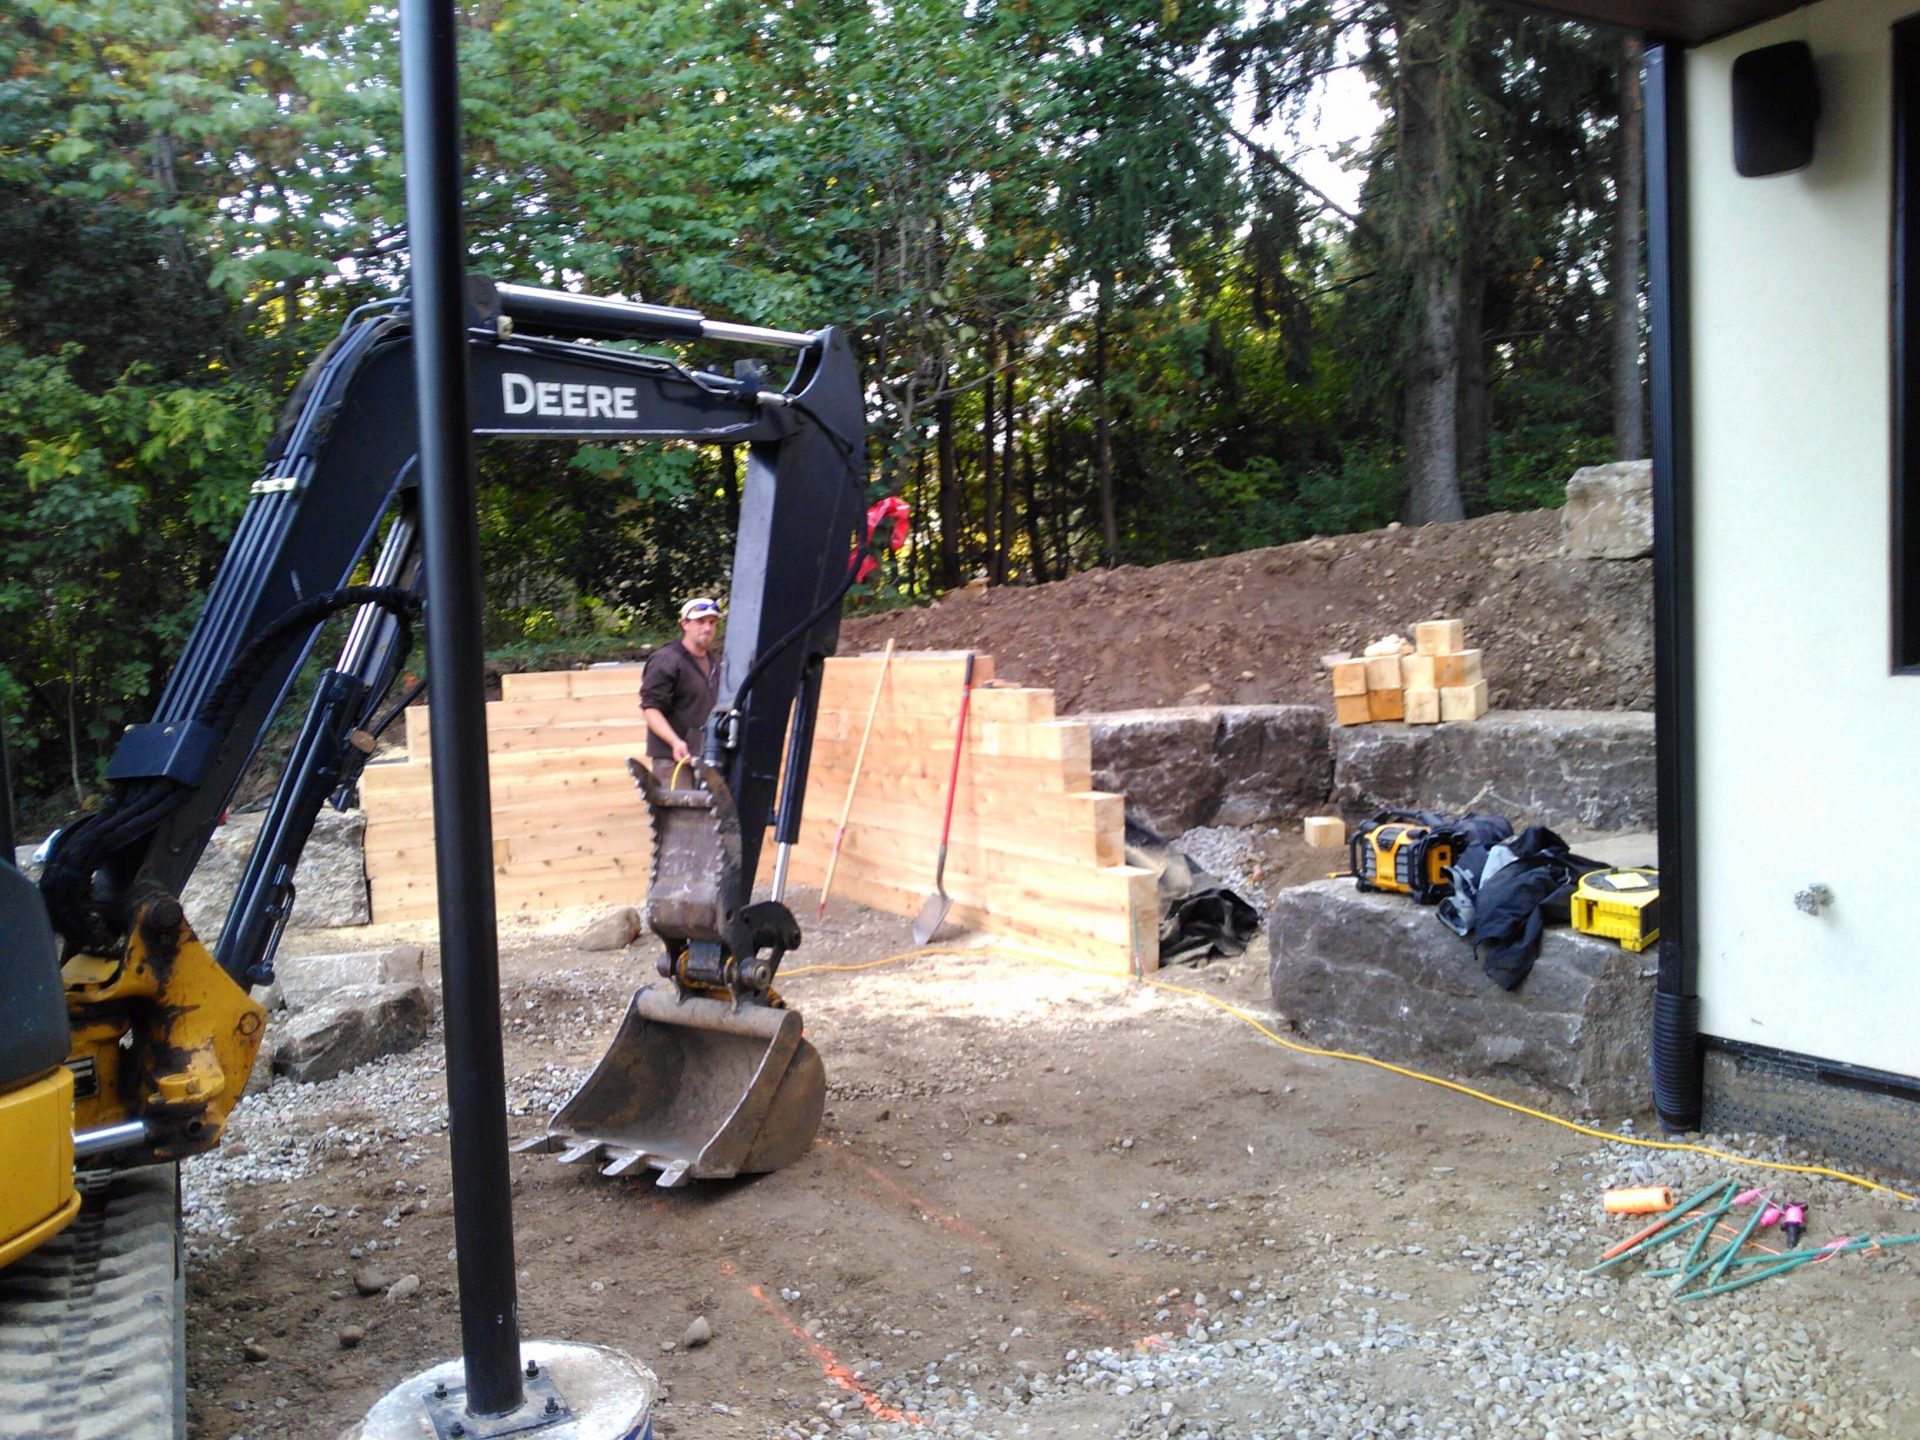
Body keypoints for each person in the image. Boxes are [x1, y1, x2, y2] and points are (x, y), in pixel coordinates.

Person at [641, 596, 722, 772]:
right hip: (673, 761)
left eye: (712, 622)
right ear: (685, 624)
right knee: (679, 801)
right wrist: (675, 742)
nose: (707, 628)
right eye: (700, 621)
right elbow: (650, 709)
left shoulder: (715, 661)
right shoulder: (667, 659)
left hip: (707, 759)